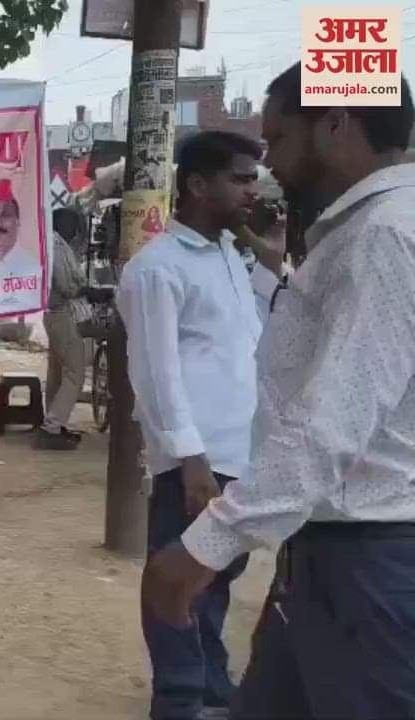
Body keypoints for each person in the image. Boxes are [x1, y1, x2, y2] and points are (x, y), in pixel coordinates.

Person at [143, 64, 415, 720]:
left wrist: (205, 546)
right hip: (323, 554)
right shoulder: (358, 232)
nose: (270, 171)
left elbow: (334, 420)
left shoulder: (384, 234)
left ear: (337, 124)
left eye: (278, 143)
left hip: (364, 565)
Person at [118, 129, 281, 720]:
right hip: (197, 462)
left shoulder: (230, 258)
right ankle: (182, 699)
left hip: (239, 456)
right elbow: (155, 375)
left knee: (213, 587)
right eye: (239, 178)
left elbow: (255, 339)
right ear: (196, 184)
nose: (251, 189)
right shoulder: (158, 268)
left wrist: (270, 255)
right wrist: (189, 461)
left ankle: (211, 691)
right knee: (177, 585)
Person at [36, 207, 99, 451]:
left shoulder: (56, 244)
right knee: (75, 372)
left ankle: (51, 423)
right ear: (64, 224)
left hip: (53, 313)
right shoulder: (55, 246)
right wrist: (91, 291)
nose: (76, 232)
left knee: (57, 372)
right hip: (60, 313)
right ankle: (52, 426)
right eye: (74, 226)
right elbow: (67, 286)